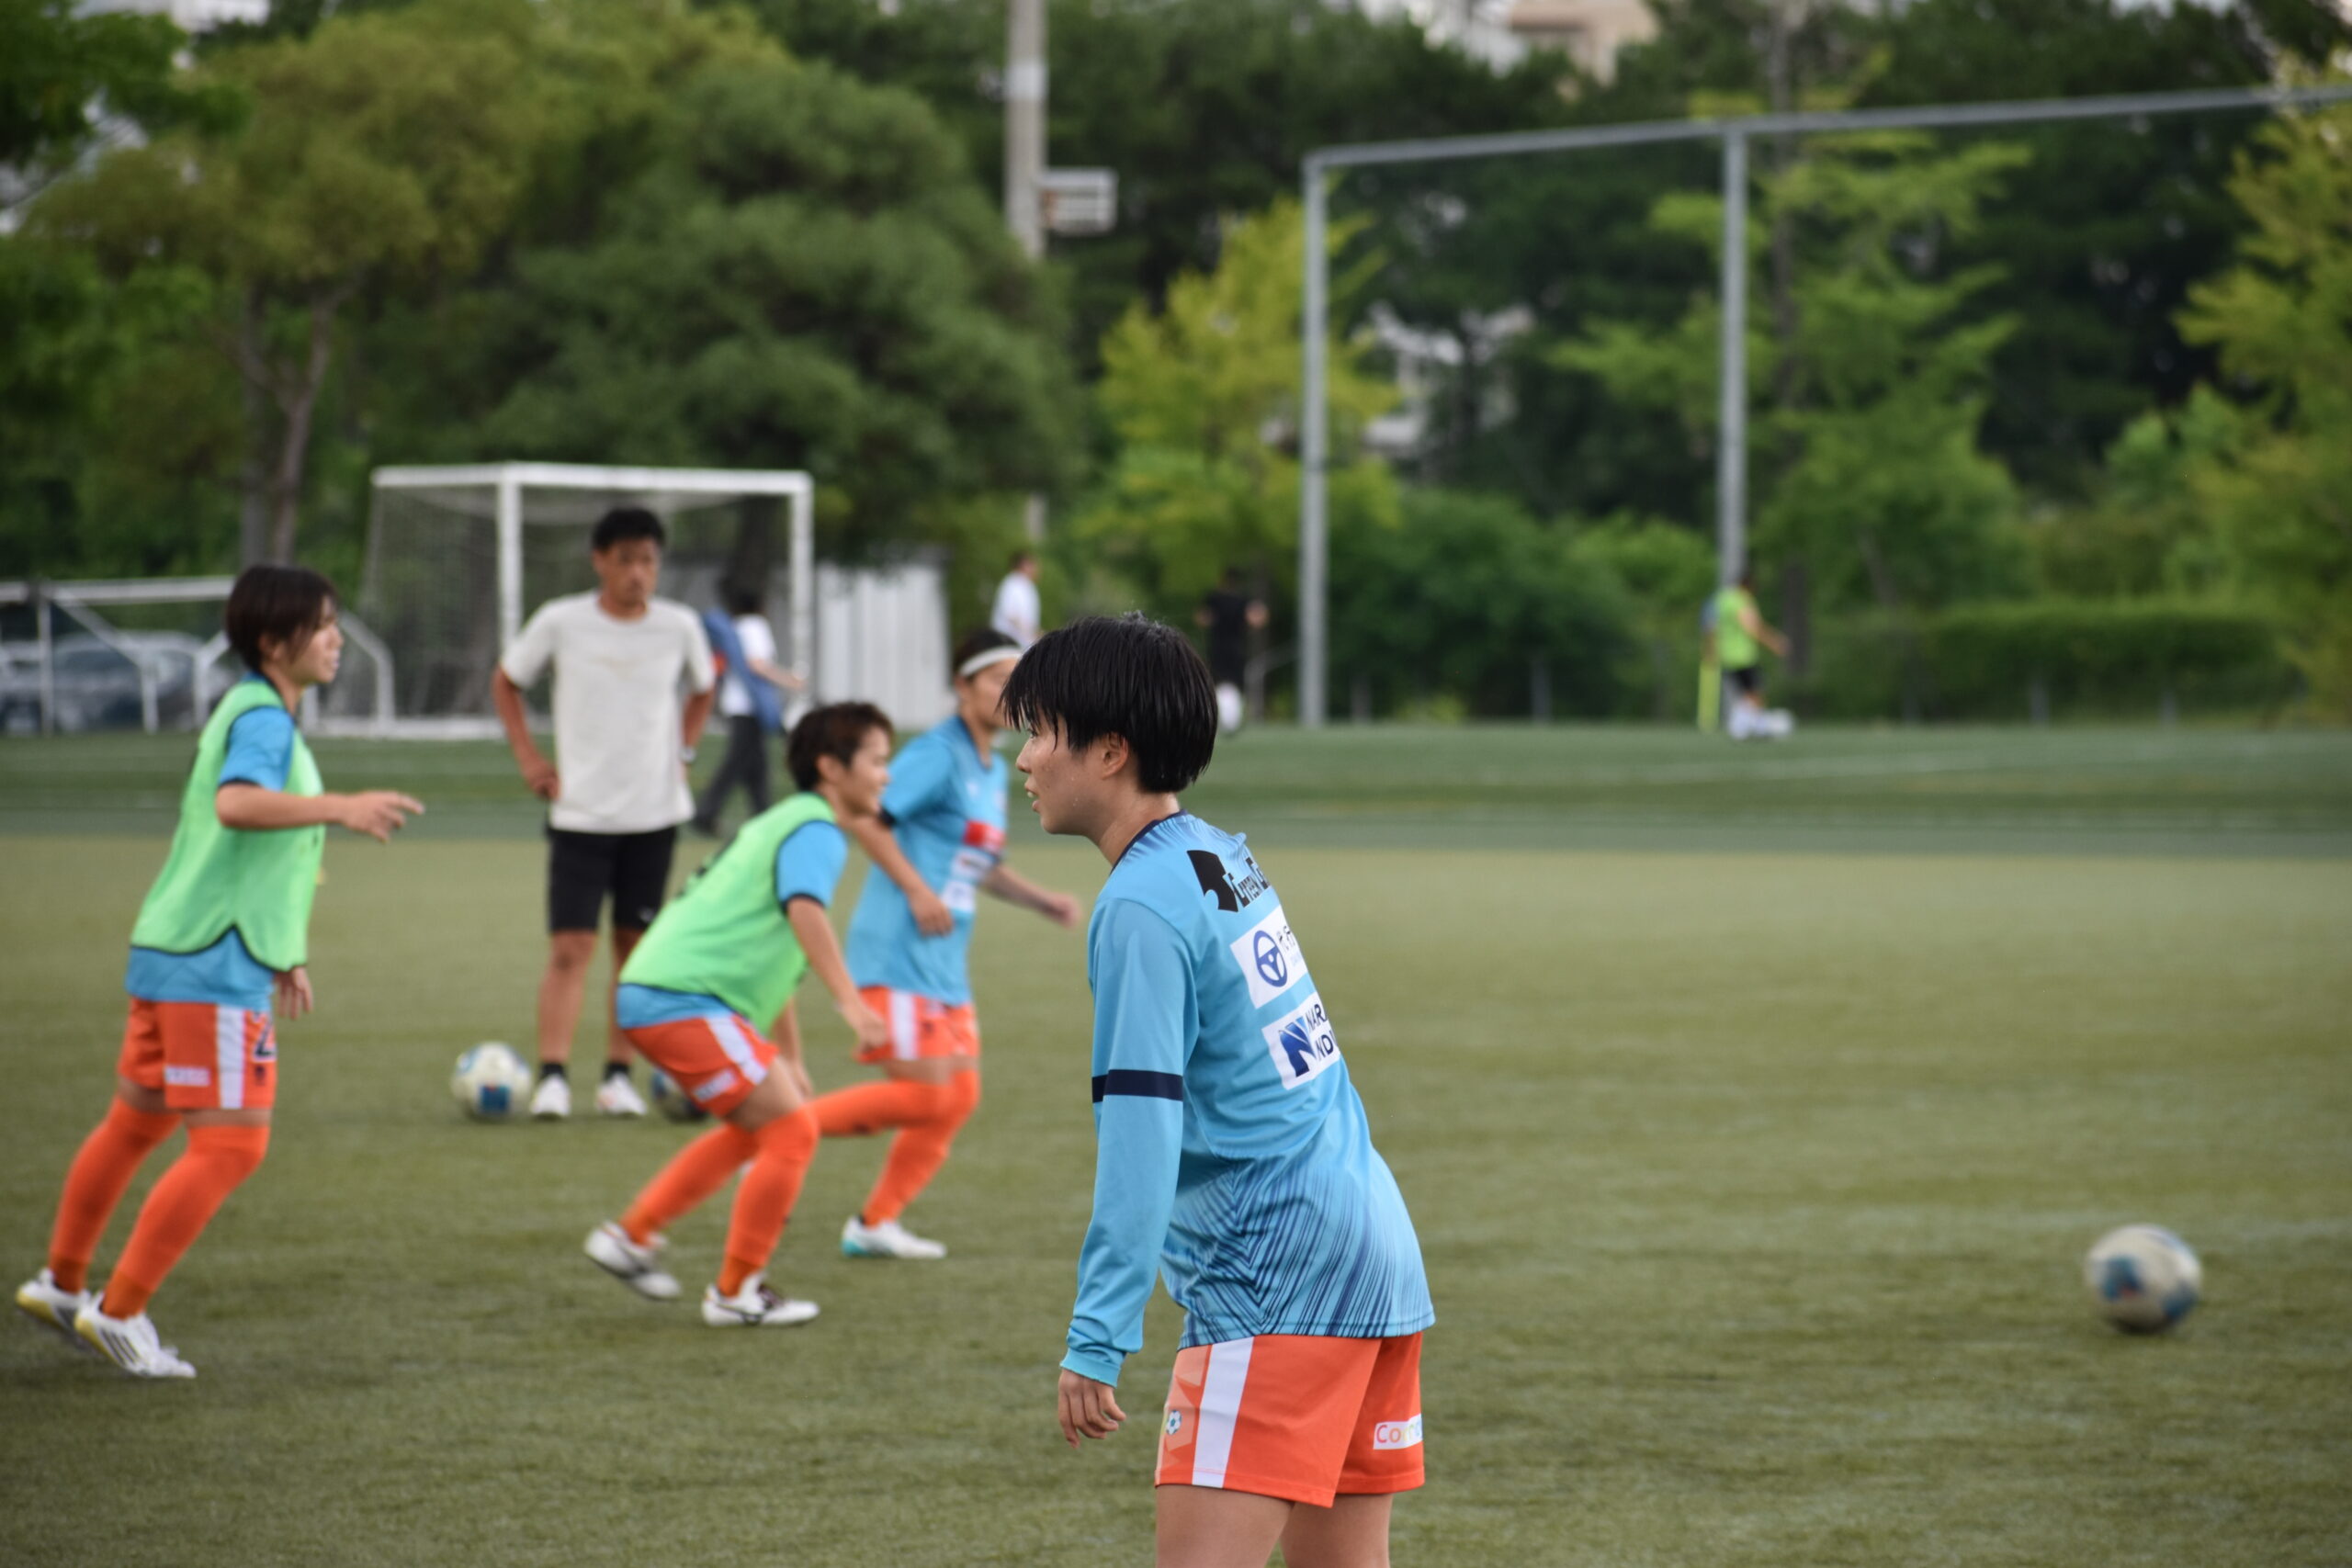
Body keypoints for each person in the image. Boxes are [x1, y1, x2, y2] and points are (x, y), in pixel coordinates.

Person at [1005, 615, 1434, 1568]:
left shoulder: (1138, 906)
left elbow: (1142, 1131)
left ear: (1109, 750)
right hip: (1372, 1256)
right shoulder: (1214, 854)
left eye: (1040, 732)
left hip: (1277, 1281)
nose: (1023, 759)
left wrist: (1098, 1332)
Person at [14, 566, 422, 1378]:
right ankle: (119, 1312)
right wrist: (341, 805)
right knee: (232, 1144)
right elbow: (238, 805)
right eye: (322, 624)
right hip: (211, 963)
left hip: (176, 948)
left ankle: (61, 1283)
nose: (337, 638)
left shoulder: (252, 709)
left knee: (136, 1124)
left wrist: (287, 949)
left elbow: (253, 852)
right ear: (273, 642)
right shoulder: (264, 718)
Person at [583, 703, 896, 1327]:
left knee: (761, 1129)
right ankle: (735, 1292)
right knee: (794, 1132)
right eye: (877, 760)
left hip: (665, 992)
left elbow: (777, 958)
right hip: (682, 998)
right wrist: (852, 1003)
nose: (885, 775)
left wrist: (792, 1058)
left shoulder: (785, 821)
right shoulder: (816, 827)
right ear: (831, 768)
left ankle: (633, 1236)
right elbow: (805, 913)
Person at [808, 628, 1081, 1260]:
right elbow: (864, 817)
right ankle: (780, 1126)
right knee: (926, 1093)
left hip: (943, 961)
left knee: (957, 1096)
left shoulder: (991, 766)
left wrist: (1043, 901)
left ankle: (875, 1222)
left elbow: (977, 864)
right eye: (997, 680)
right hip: (900, 948)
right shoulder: (938, 753)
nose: (1009, 694)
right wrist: (914, 889)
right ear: (962, 686)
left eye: (1017, 682)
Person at [492, 507, 716, 1120]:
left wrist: (685, 751)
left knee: (634, 949)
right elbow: (507, 680)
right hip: (581, 813)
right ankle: (553, 1078)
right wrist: (529, 758)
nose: (637, 573)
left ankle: (618, 1078)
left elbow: (704, 687)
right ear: (599, 561)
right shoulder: (561, 621)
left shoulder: (679, 626)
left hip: (654, 813)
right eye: (625, 560)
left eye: (648, 561)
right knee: (571, 946)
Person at [691, 583, 803, 837]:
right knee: (736, 763)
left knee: (756, 766)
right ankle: (705, 813)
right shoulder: (755, 626)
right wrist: (789, 680)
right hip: (750, 707)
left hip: (736, 705)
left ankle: (762, 816)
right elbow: (757, 664)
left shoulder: (736, 627)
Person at [1709, 567, 1793, 741]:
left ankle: (1754, 727)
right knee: (1755, 692)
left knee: (1748, 694)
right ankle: (1741, 728)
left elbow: (1711, 625)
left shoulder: (1722, 599)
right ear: (1749, 585)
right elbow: (1751, 627)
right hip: (1743, 656)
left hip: (1726, 655)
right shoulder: (1742, 601)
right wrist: (1774, 642)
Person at [1194, 568, 1269, 736]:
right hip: (1237, 647)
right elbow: (1258, 619)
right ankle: (1232, 719)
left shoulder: (1214, 598)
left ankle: (1221, 718)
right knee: (1234, 683)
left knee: (1217, 681)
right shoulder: (1243, 600)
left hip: (1217, 646)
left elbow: (1202, 619)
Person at [990, 548, 1043, 649]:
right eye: (1033, 565)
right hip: (1007, 642)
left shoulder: (1027, 585)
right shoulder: (1012, 583)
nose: (1037, 569)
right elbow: (1010, 614)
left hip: (1022, 643)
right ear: (1024, 565)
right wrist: (1031, 633)